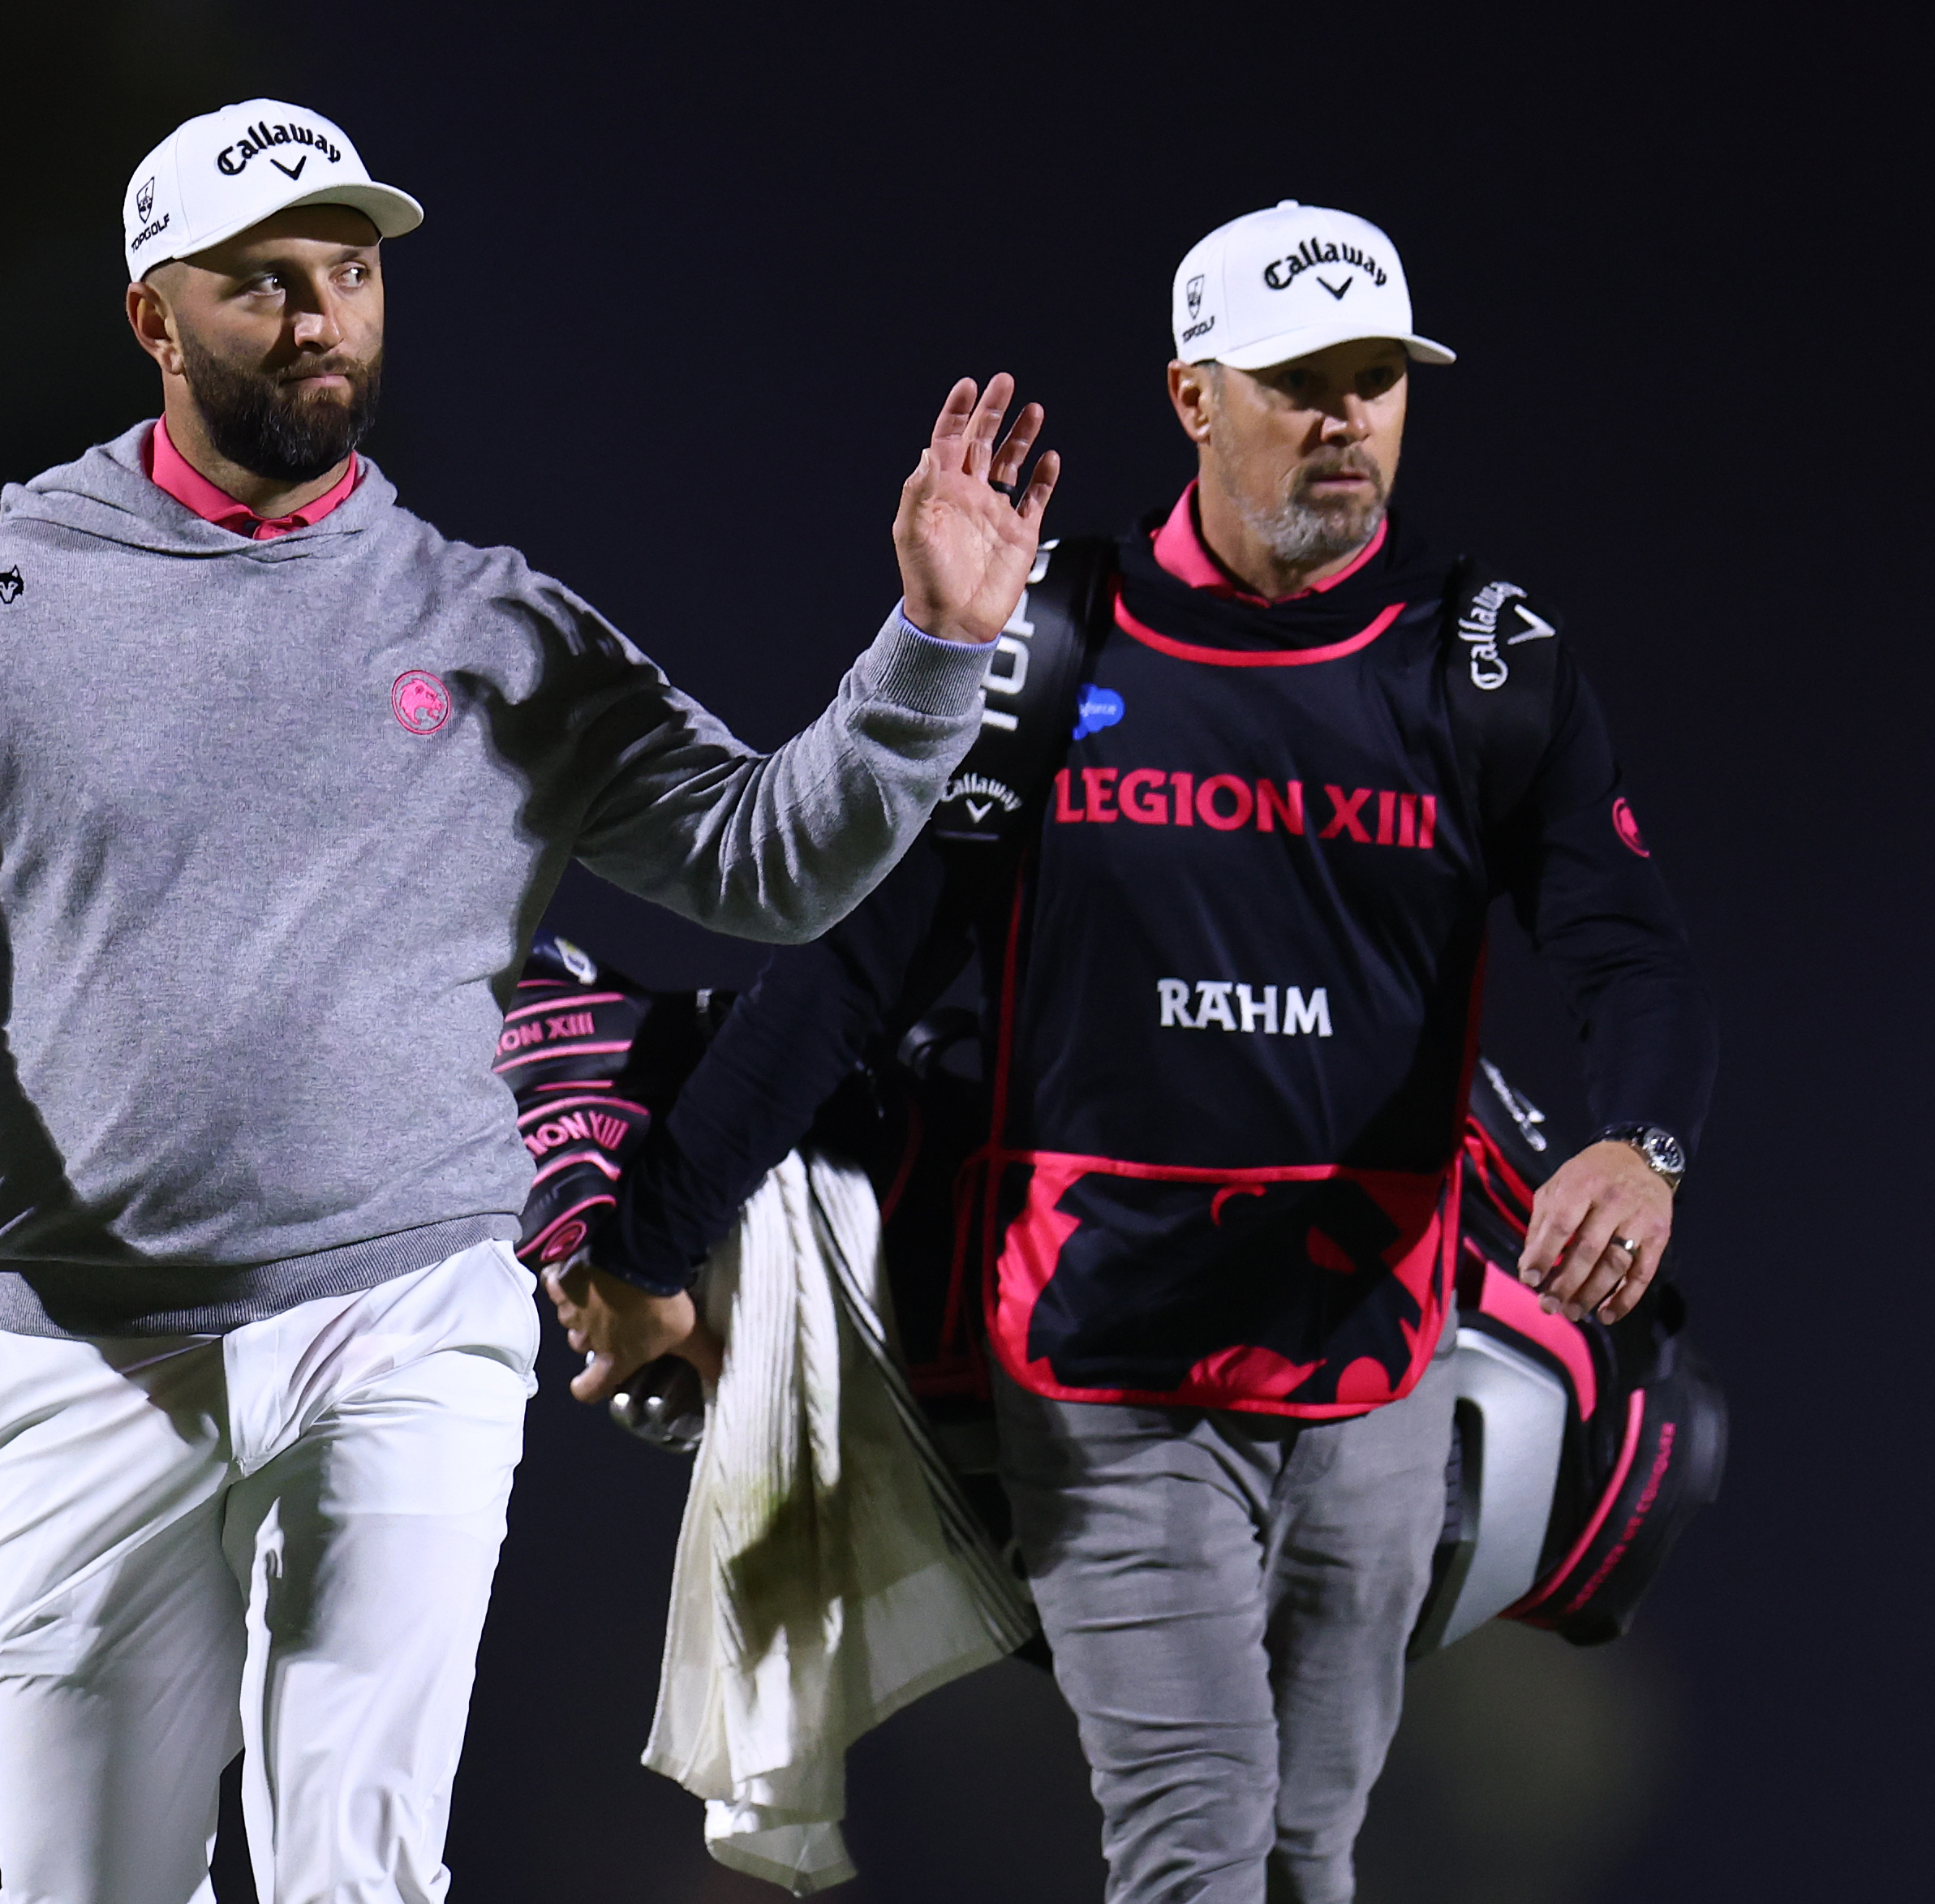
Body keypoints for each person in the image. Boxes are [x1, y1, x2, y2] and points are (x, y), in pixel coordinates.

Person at [0, 97, 1057, 1904]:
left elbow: (765, 857)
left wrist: (934, 651)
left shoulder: (492, 625)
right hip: (87, 1342)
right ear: (152, 318)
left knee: (357, 1864)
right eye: (262, 282)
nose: (321, 316)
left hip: (409, 1302)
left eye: (349, 273)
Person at [548, 200, 1717, 1902]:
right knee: (1195, 1845)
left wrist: (1645, 1143)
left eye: (1376, 380)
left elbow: (1629, 942)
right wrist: (648, 1245)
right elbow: (847, 972)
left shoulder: (1481, 671)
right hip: (1105, 1371)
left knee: (1312, 1851)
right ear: (1192, 395)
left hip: (1378, 1371)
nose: (1345, 420)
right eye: (1298, 380)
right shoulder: (1047, 651)